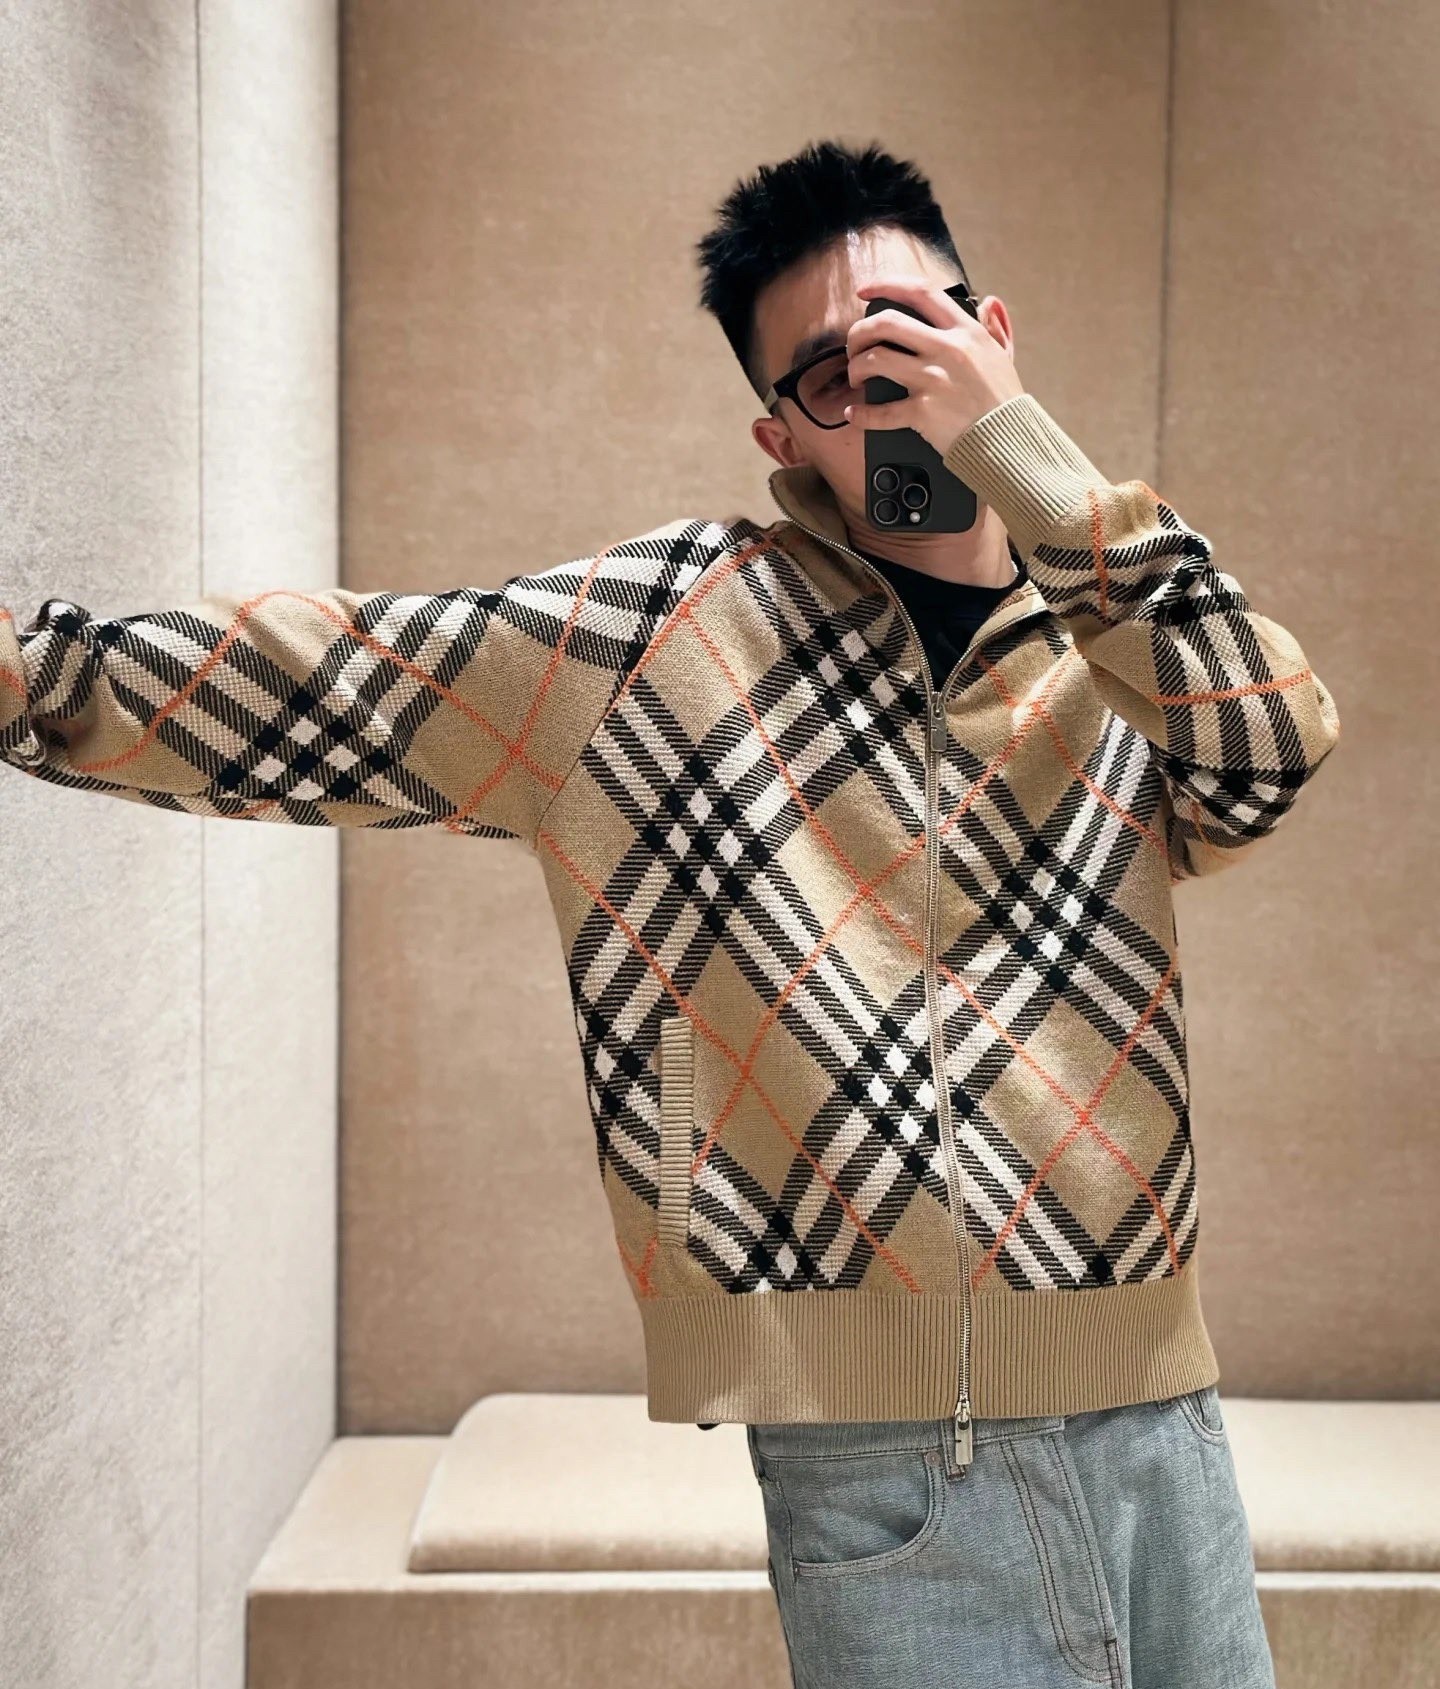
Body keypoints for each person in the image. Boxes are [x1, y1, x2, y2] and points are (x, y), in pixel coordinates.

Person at [2, 138, 1338, 1688]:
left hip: (1160, 1415)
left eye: (920, 333)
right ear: (781, 431)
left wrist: (1034, 465)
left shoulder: (1117, 637)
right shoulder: (667, 633)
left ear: (994, 335)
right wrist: (33, 675)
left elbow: (1273, 751)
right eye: (835, 375)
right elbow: (342, 678)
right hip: (881, 1458)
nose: (889, 389)